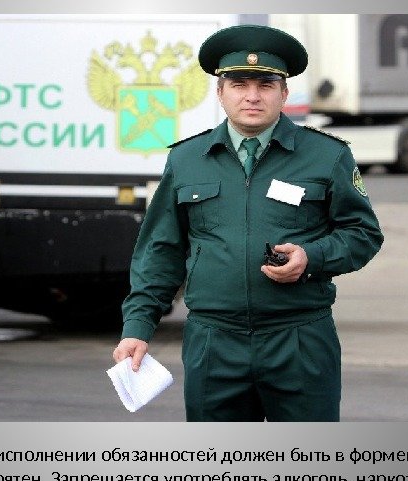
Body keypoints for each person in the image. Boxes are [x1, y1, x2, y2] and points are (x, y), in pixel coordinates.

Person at [111, 24, 383, 421]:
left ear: (284, 93)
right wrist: (137, 326)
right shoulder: (186, 159)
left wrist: (312, 257)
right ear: (220, 92)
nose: (252, 96)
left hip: (300, 339)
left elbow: (363, 234)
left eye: (266, 85)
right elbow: (160, 249)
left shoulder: (327, 155)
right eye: (239, 84)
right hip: (213, 342)